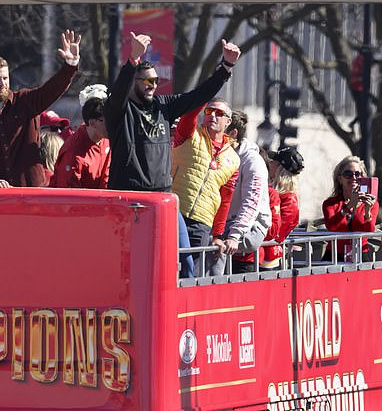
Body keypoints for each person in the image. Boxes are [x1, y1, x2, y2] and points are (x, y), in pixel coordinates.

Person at [105, 31, 240, 192]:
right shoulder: (120, 109)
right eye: (147, 80)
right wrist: (133, 59)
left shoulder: (163, 105)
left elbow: (198, 96)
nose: (153, 85)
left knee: (177, 220)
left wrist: (226, 68)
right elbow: (119, 91)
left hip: (162, 194)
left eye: (156, 81)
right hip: (129, 193)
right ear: (133, 82)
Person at [0, 29, 81, 188]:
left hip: (30, 192)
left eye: (5, 78)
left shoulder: (25, 101)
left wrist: (70, 65)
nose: (3, 83)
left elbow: (53, 89)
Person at [171, 100, 240, 276]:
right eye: (209, 111)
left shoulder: (233, 158)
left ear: (228, 122)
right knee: (168, 268)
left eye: (219, 113)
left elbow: (225, 199)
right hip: (174, 212)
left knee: (191, 273)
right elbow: (188, 116)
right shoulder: (190, 134)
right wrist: (203, 96)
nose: (212, 116)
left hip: (202, 222)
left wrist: (217, 235)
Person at [210, 110, 271, 274]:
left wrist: (235, 235)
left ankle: (210, 289)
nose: (211, 137)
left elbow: (251, 203)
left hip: (252, 227)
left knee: (214, 243)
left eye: (218, 132)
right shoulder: (219, 156)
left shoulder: (253, 161)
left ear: (233, 133)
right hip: (225, 223)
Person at [322, 155, 379, 262]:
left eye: (357, 174)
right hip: (334, 255)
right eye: (348, 174)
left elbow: (369, 231)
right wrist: (349, 207)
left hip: (361, 254)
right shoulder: (330, 203)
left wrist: (367, 211)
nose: (354, 178)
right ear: (340, 179)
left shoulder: (371, 203)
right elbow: (331, 227)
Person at [51, 97, 110, 189]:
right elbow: (68, 195)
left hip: (102, 201)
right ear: (92, 123)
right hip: (79, 202)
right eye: (106, 120)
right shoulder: (73, 152)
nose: (112, 124)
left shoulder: (106, 142)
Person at [260, 147, 303, 269]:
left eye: (274, 161)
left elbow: (278, 233)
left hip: (269, 257)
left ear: (281, 167)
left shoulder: (289, 198)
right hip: (259, 250)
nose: (270, 163)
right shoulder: (270, 189)